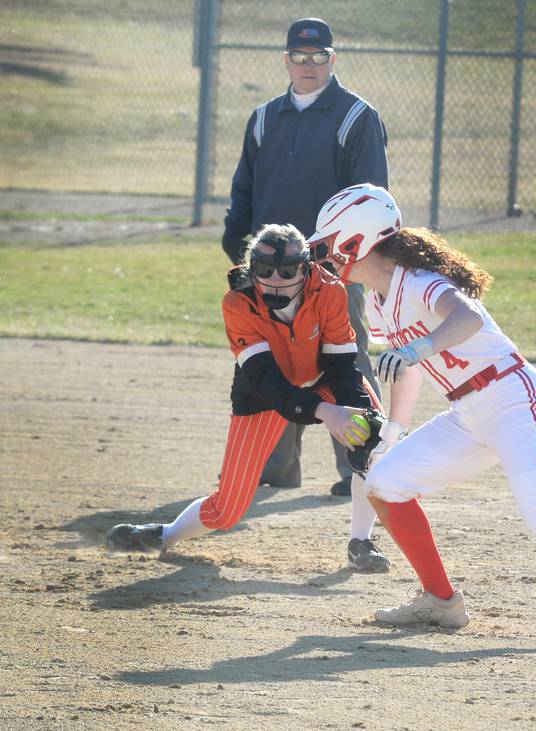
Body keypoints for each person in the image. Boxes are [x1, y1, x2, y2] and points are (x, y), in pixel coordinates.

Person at [308, 184, 536, 645]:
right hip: (468, 412)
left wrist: (420, 346)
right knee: (384, 484)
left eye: (327, 246)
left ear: (357, 241)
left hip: (513, 400)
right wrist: (393, 430)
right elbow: (409, 369)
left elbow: (466, 318)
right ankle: (441, 602)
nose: (324, 257)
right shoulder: (378, 299)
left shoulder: (420, 281)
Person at [106, 223, 390, 572]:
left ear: (304, 267)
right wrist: (325, 413)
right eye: (263, 270)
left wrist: (356, 411)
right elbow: (266, 380)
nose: (274, 279)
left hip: (322, 377)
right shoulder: (238, 303)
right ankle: (164, 535)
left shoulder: (330, 290)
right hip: (265, 393)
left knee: (374, 442)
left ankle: (360, 542)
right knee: (228, 509)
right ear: (250, 266)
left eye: (286, 271)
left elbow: (343, 365)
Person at [221, 17, 388, 497]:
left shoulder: (356, 116)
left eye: (319, 57)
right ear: (286, 60)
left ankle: (359, 462)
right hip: (269, 271)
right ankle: (275, 469)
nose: (308, 65)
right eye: (299, 56)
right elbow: (244, 192)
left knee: (345, 359)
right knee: (274, 363)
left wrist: (344, 264)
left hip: (330, 269)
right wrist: (241, 255)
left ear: (332, 60)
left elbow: (370, 198)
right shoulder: (264, 117)